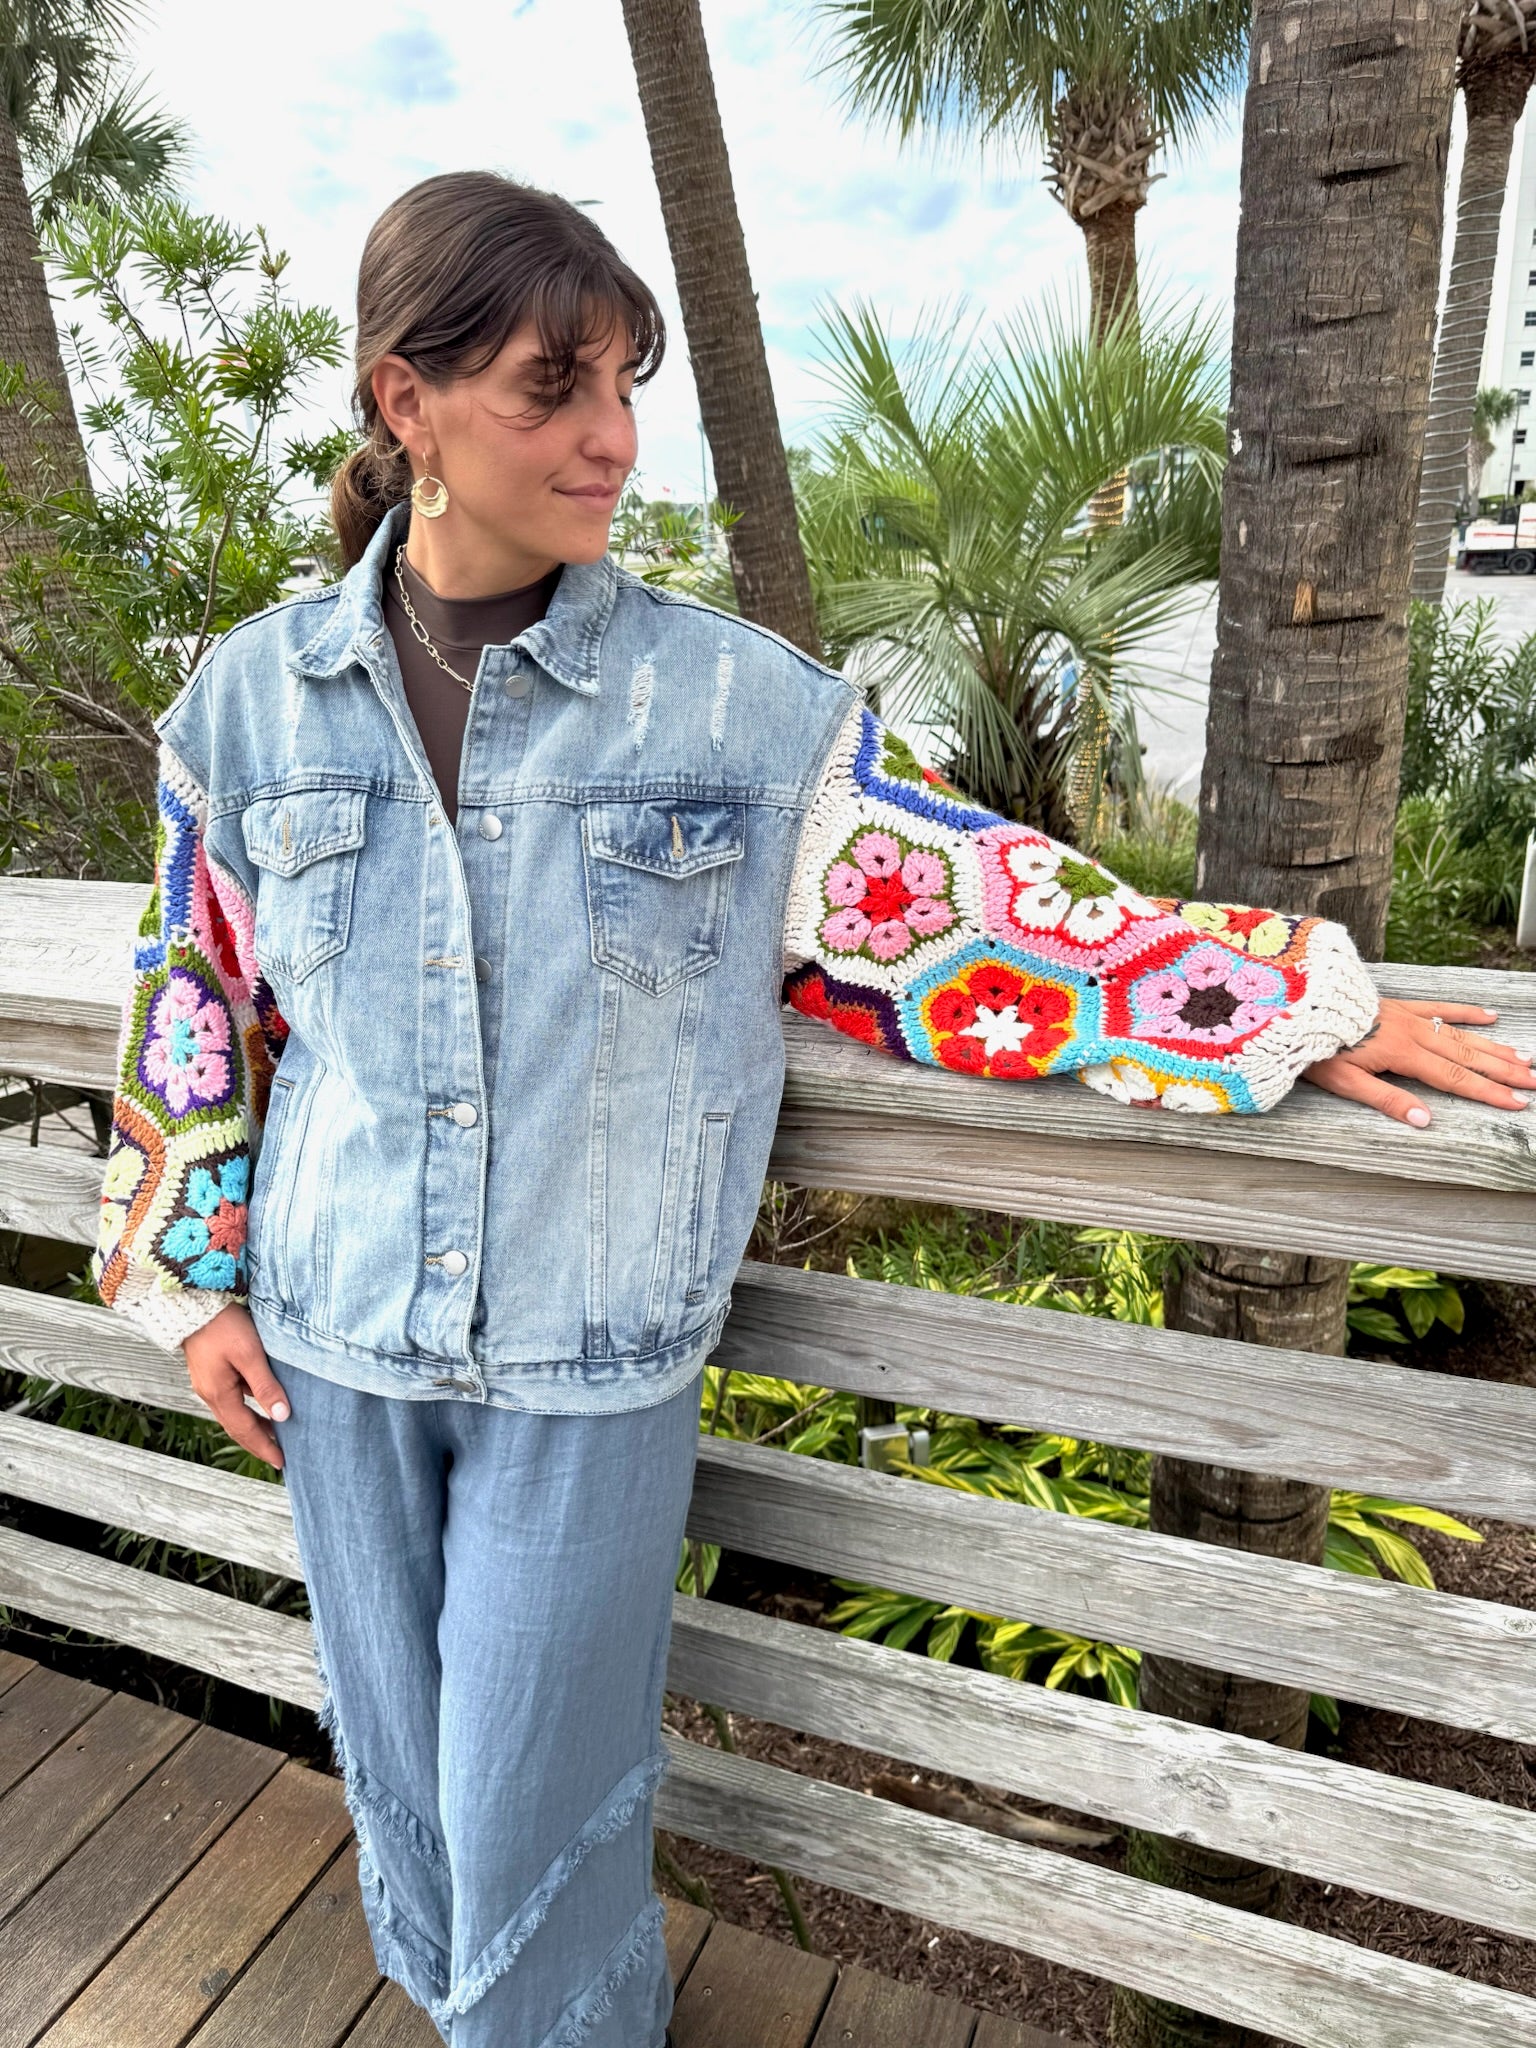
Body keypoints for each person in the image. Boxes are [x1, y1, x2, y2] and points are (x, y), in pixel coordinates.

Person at [89, 171, 1534, 2048]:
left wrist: (1277, 999)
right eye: (554, 389)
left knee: (543, 1820)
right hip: (333, 1337)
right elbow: (189, 1008)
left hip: (586, 1368)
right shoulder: (247, 710)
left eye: (626, 383)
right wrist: (187, 1276)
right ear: (404, 402)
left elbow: (971, 909)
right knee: (412, 1790)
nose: (612, 438)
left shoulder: (732, 715)